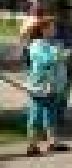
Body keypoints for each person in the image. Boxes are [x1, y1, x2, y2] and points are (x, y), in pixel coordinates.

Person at [22, 16, 69, 156]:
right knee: (36, 113)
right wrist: (60, 55)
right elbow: (45, 60)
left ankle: (52, 142)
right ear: (43, 29)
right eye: (51, 27)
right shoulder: (36, 45)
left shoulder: (55, 43)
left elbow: (59, 60)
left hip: (54, 86)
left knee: (51, 113)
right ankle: (32, 145)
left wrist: (61, 55)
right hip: (39, 86)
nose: (54, 29)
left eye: (54, 26)